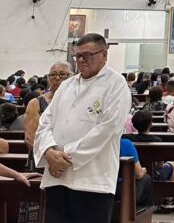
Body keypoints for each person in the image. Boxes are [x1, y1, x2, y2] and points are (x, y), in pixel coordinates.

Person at [34, 33, 132, 223]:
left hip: (92, 180)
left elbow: (108, 129)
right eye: (77, 56)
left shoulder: (116, 84)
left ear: (104, 55)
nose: (81, 60)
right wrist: (49, 152)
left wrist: (64, 158)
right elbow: (45, 122)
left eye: (87, 55)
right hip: (57, 177)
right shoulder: (66, 85)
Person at [24, 63, 71, 169]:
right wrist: (50, 156)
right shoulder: (36, 103)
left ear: (72, 77)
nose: (57, 78)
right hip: (42, 159)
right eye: (53, 74)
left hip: (69, 159)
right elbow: (30, 138)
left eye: (62, 74)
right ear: (48, 78)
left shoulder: (78, 102)